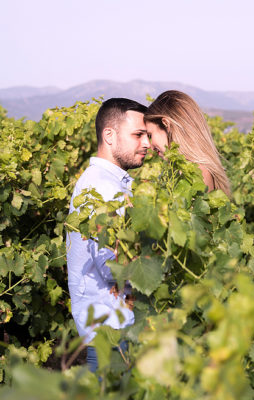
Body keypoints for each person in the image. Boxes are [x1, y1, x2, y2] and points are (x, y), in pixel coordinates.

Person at [65, 98, 150, 372]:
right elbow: (114, 268)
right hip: (112, 334)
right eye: (138, 135)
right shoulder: (101, 188)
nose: (146, 143)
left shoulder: (112, 184)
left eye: (147, 135)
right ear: (109, 135)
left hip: (114, 330)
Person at [144, 90, 231, 195]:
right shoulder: (185, 170)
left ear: (166, 125)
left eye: (150, 135)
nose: (150, 146)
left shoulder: (195, 174)